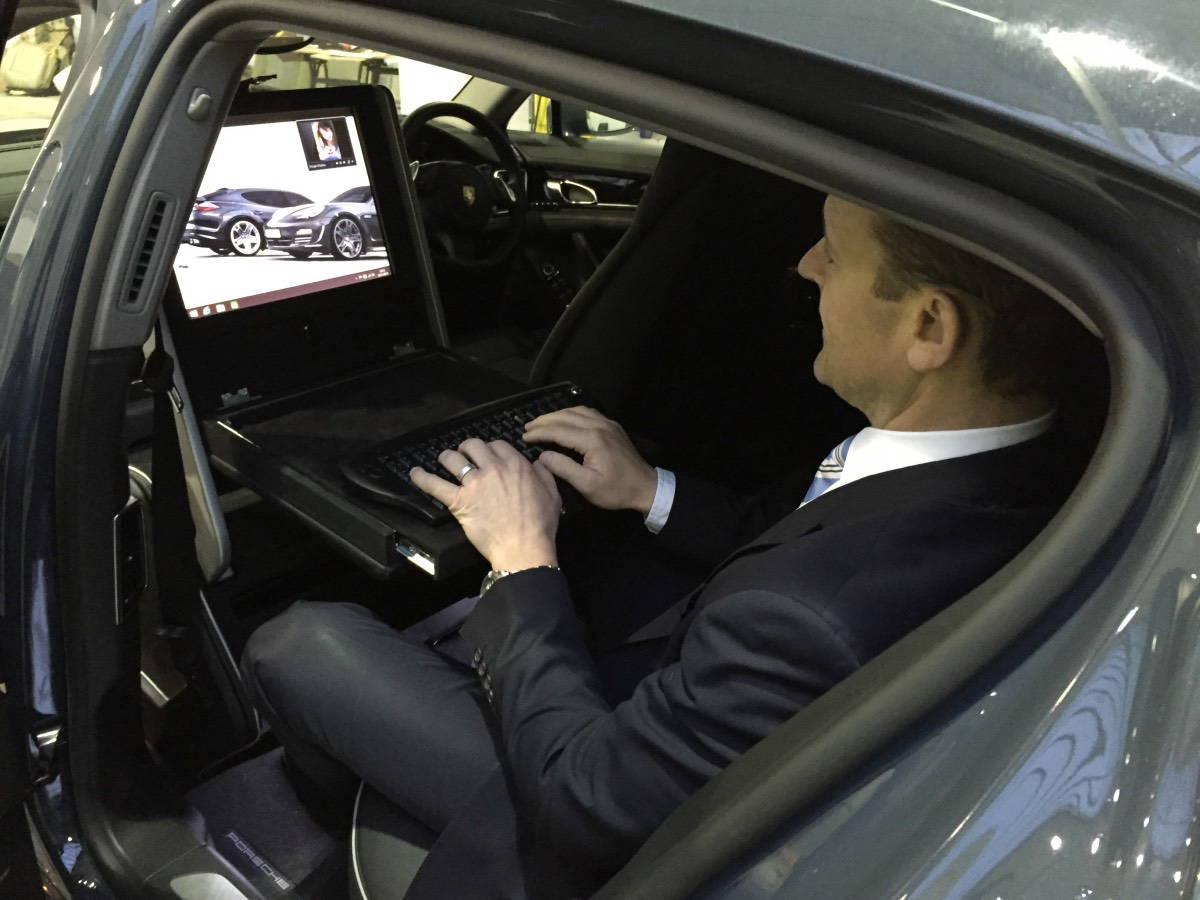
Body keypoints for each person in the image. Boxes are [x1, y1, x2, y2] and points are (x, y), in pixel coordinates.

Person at [241, 195, 1095, 898]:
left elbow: (582, 805)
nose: (807, 266)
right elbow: (803, 528)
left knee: (299, 642)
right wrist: (650, 490)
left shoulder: (807, 618)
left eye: (835, 253)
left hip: (603, 814)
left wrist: (521, 559)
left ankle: (319, 842)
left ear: (930, 327)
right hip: (696, 711)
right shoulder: (1026, 454)